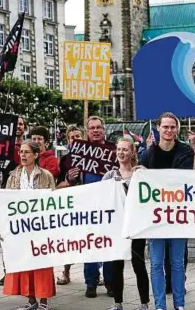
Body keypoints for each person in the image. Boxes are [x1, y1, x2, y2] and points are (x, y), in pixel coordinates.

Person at [0, 140, 56, 310]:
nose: (23, 155)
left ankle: (44, 302)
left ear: (36, 155)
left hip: (40, 226)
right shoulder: (14, 175)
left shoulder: (46, 175)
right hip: (21, 227)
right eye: (21, 152)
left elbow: (53, 201)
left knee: (42, 264)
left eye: (27, 152)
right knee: (24, 264)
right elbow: (6, 202)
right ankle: (31, 301)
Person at [140, 112, 194, 310]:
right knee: (155, 264)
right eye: (166, 127)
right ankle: (160, 305)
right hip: (156, 218)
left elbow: (186, 178)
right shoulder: (148, 153)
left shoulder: (186, 151)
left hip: (178, 216)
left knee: (178, 263)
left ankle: (179, 305)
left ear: (177, 129)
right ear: (158, 128)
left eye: (172, 127)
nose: (169, 130)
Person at [66, 116, 114, 298]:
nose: (95, 130)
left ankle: (110, 283)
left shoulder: (113, 150)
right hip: (88, 207)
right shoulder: (80, 151)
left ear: (104, 130)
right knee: (90, 245)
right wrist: (70, 177)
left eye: (98, 127)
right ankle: (91, 283)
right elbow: (70, 179)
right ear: (87, 131)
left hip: (110, 206)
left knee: (110, 246)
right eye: (92, 127)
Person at [103, 138, 150, 310]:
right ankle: (118, 303)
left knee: (139, 264)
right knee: (117, 265)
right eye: (119, 150)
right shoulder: (109, 176)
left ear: (132, 152)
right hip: (117, 227)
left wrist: (146, 174)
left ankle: (144, 303)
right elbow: (102, 198)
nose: (121, 153)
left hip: (135, 227)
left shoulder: (139, 174)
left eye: (125, 150)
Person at [0, 116, 26, 287]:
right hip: (7, 195)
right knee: (7, 236)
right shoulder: (3, 147)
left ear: (24, 128)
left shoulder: (29, 147)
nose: (18, 127)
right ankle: (9, 273)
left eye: (21, 124)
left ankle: (23, 272)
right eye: (16, 124)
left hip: (25, 197)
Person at [55, 125, 84, 286]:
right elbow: (58, 184)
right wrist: (67, 179)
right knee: (69, 240)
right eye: (72, 137)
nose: (75, 140)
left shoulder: (93, 156)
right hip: (71, 204)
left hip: (90, 203)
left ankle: (97, 272)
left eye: (78, 136)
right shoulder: (65, 160)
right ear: (68, 141)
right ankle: (66, 272)